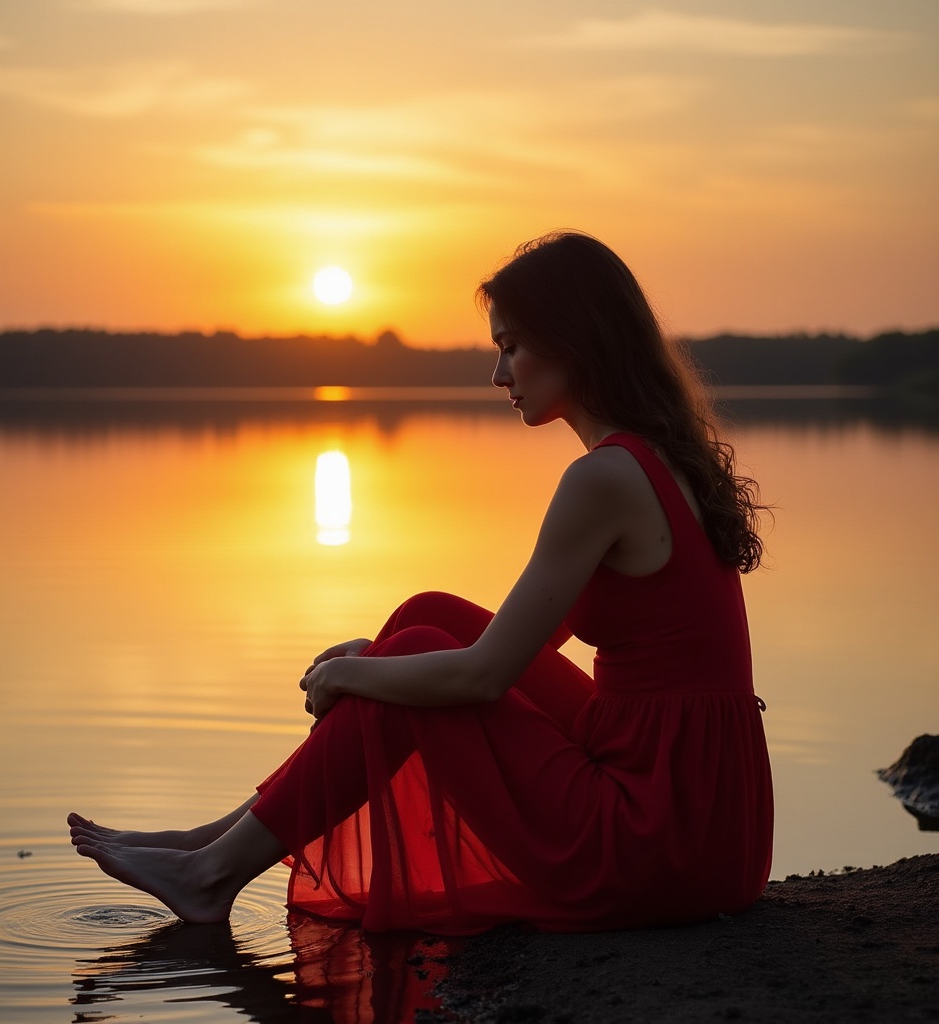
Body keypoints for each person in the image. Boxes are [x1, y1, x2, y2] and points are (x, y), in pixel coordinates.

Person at [69, 231, 773, 934]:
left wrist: (356, 674)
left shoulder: (603, 480)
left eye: (511, 347)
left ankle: (211, 874)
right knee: (424, 616)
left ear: (574, 341)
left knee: (411, 657)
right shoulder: (653, 459)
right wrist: (379, 656)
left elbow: (485, 678)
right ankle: (214, 843)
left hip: (657, 841)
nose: (499, 374)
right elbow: (518, 646)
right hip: (709, 822)